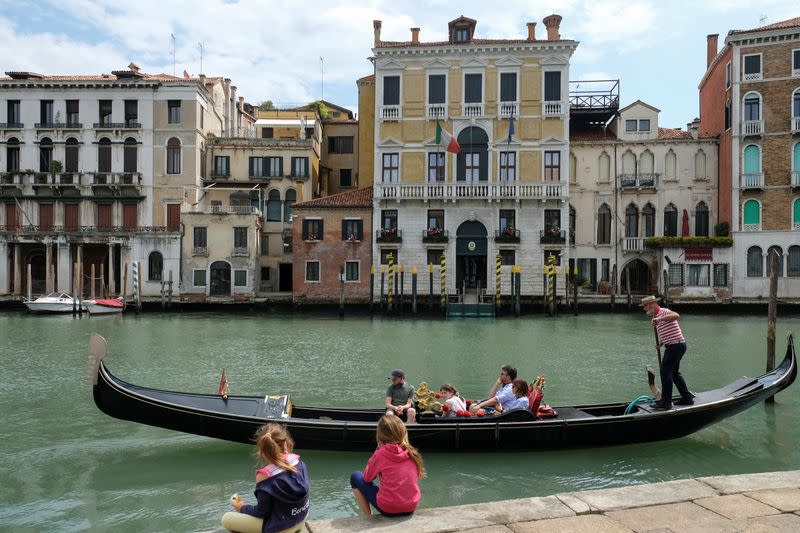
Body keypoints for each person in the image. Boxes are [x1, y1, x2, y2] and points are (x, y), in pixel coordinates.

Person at [222, 424, 310, 533]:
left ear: (262, 452)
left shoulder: (264, 476)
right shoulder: (299, 463)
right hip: (301, 519)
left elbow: (262, 512)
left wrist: (241, 507)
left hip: (282, 528)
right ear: (286, 444)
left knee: (227, 519)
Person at [350, 415, 425, 516]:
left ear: (380, 435)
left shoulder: (380, 453)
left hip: (389, 509)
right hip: (411, 506)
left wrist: (376, 453)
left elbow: (367, 478)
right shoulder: (411, 452)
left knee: (355, 476)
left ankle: (368, 516)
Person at [641, 295, 694, 410]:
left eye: (645, 306)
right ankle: (687, 398)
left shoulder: (664, 312)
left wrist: (659, 319)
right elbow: (668, 331)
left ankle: (666, 403)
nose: (644, 309)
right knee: (674, 373)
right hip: (675, 345)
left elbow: (676, 315)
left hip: (676, 346)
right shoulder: (656, 316)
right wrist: (661, 343)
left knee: (665, 373)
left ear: (652, 304)